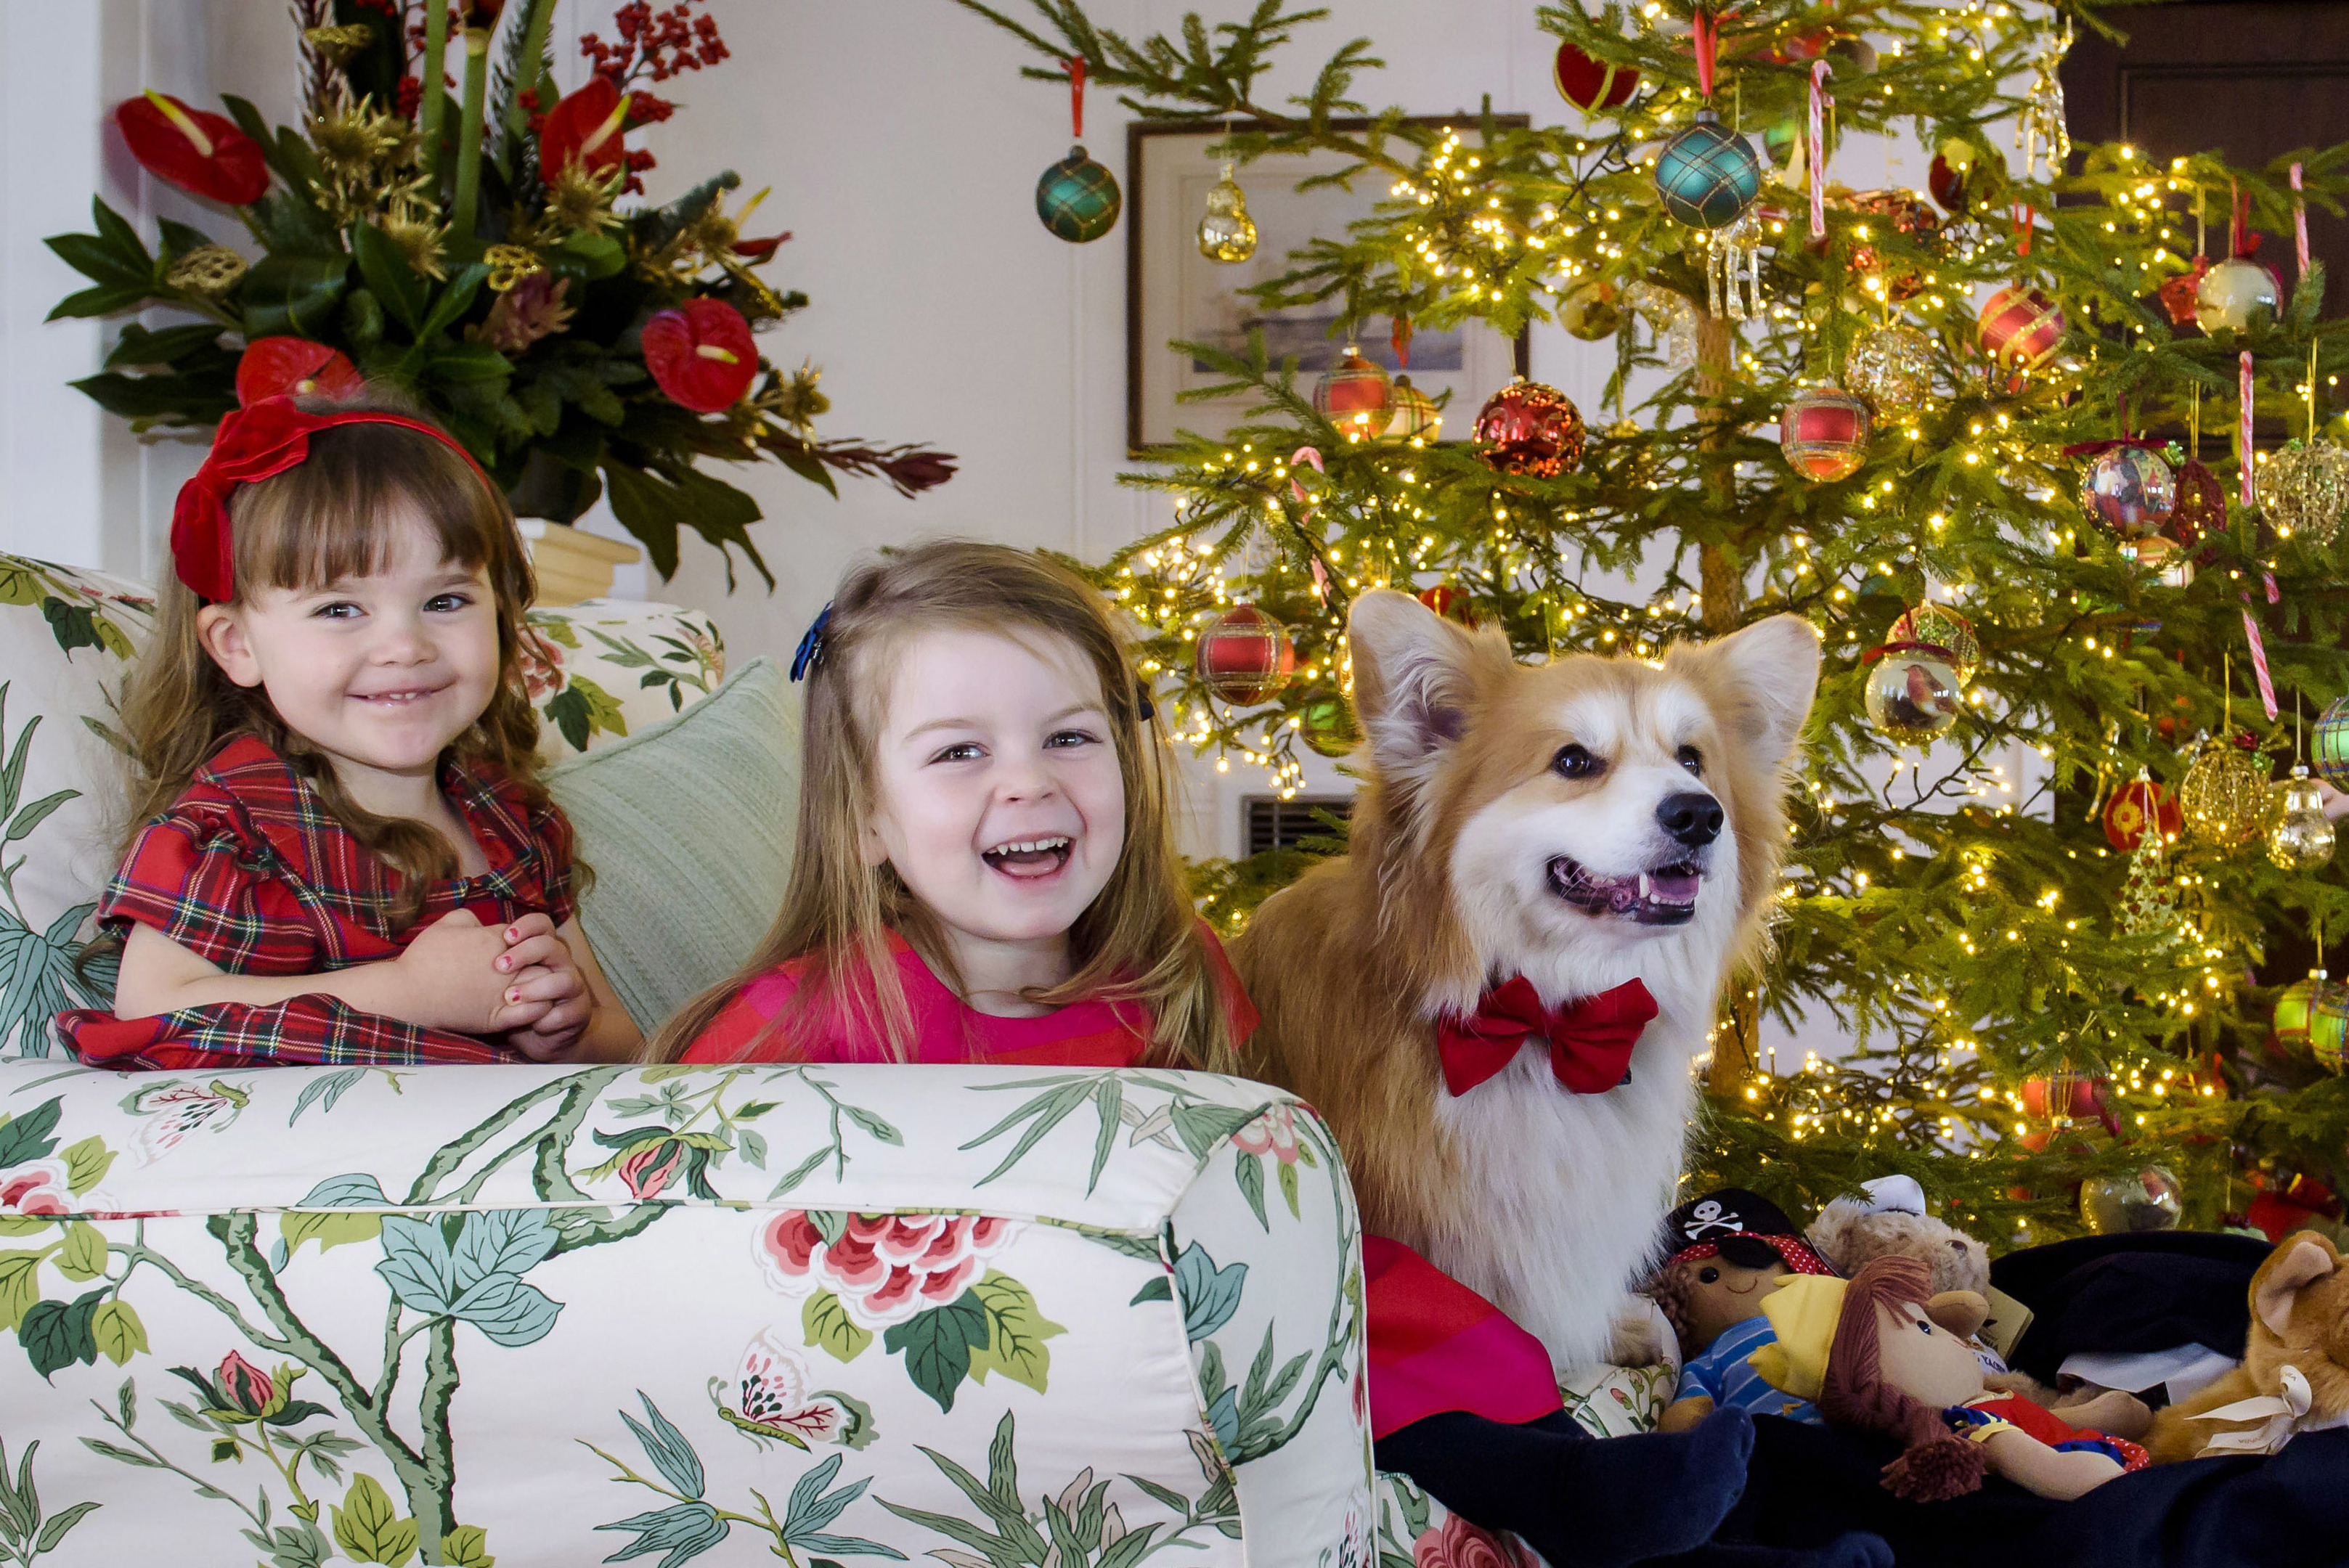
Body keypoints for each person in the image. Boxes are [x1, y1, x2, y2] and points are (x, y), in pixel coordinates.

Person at [56, 392, 638, 1069]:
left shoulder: (514, 822)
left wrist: (566, 1029)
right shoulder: (234, 830)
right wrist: (409, 993)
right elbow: (153, 1010)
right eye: (339, 609)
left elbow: (624, 1045)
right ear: (237, 643)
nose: (405, 645)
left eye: (445, 601)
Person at [652, 540, 1244, 1069]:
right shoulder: (795, 1022)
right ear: (862, 818)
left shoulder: (1177, 976)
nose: (1028, 782)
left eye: (1068, 738)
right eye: (959, 751)